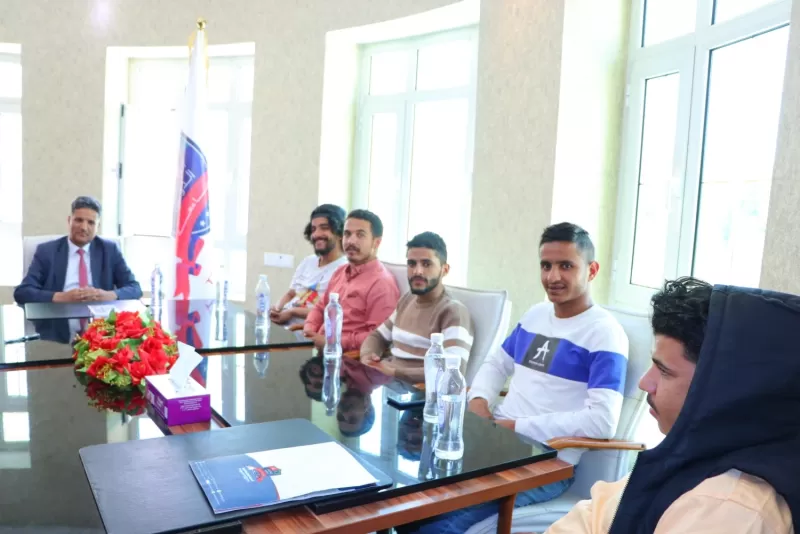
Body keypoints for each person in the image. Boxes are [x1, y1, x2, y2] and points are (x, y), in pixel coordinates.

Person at [397, 223, 629, 534]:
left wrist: (513, 427)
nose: (553, 276)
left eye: (566, 266)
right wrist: (479, 400)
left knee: (436, 527)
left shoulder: (605, 333)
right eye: (546, 265)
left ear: (592, 270)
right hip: (497, 448)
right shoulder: (535, 315)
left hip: (547, 464)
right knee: (407, 506)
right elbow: (496, 364)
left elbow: (603, 421)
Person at [547, 278, 799, 533]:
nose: (645, 383)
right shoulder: (696, 457)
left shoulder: (727, 508)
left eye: (664, 371)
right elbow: (599, 512)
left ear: (720, 388)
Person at [360, 231, 474, 383]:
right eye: (412, 264)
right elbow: (377, 336)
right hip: (388, 385)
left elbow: (452, 370)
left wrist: (394, 371)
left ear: (444, 270)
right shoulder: (408, 299)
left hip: (420, 395)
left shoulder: (453, 312)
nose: (417, 271)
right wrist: (368, 355)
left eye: (426, 264)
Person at [303, 209, 400, 352]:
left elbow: (378, 337)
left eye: (360, 235)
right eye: (347, 234)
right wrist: (309, 328)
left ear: (376, 242)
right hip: (318, 351)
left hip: (348, 363)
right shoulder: (340, 272)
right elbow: (320, 307)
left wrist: (333, 342)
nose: (351, 241)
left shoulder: (381, 283)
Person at [14, 196, 142, 304]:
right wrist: (61, 297)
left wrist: (107, 295)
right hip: (58, 319)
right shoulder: (47, 251)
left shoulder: (109, 250)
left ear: (98, 226)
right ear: (69, 220)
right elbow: (22, 292)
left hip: (99, 324)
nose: (84, 227)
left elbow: (135, 288)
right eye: (79, 220)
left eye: (91, 222)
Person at [270, 204, 348, 325]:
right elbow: (291, 293)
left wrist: (292, 312)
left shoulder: (345, 269)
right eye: (313, 229)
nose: (316, 234)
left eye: (324, 228)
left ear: (340, 233)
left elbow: (334, 312)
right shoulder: (308, 261)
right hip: (285, 326)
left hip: (308, 332)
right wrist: (277, 308)